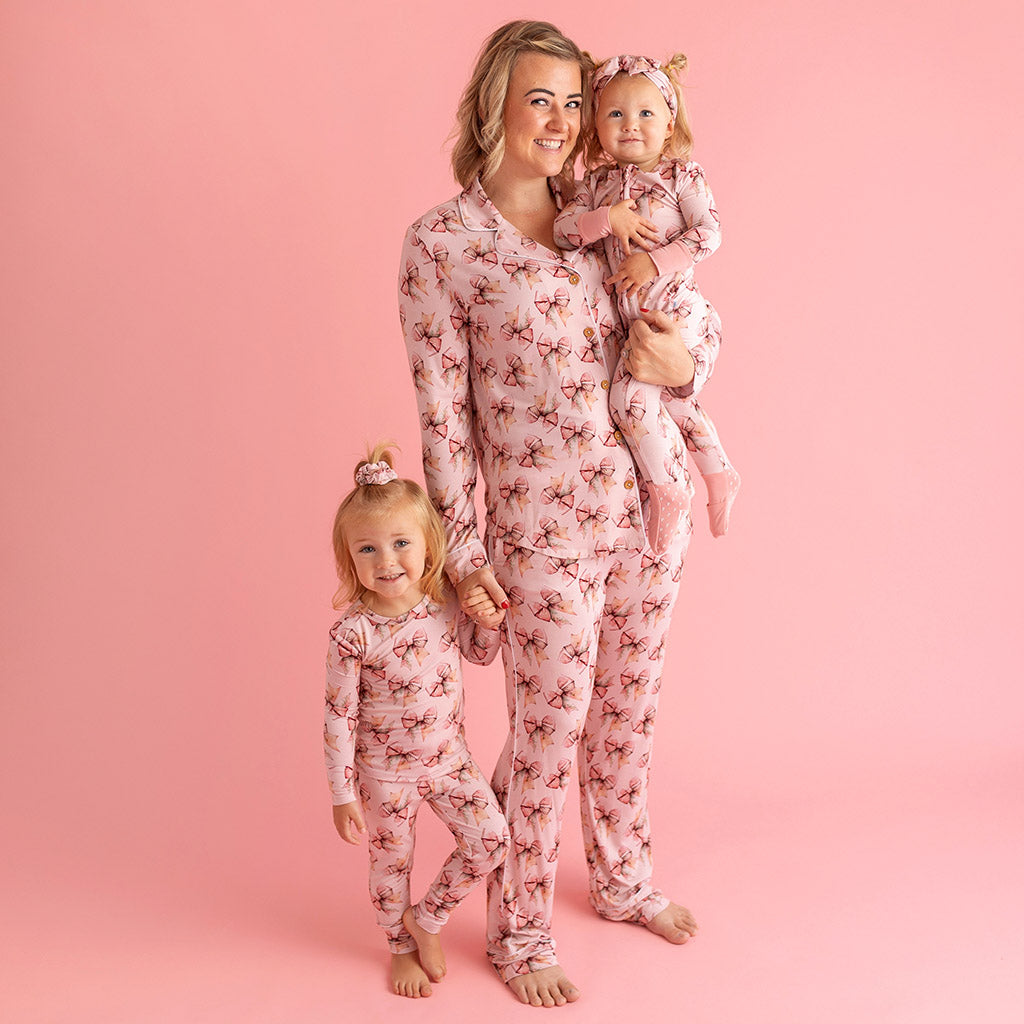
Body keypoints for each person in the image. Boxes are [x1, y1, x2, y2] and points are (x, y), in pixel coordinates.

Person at [398, 21, 720, 1007]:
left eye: (574, 102)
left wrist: (690, 358)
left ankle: (622, 880)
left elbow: (691, 310)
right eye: (539, 99)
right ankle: (521, 929)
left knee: (626, 711)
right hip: (540, 535)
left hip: (644, 511)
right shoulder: (444, 246)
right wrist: (461, 554)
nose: (562, 120)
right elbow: (443, 421)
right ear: (491, 106)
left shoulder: (608, 208)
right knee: (548, 730)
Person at [325, 443, 510, 999]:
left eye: (401, 543)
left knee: (491, 839)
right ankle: (399, 948)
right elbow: (338, 717)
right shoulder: (352, 633)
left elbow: (479, 653)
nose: (387, 561)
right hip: (385, 776)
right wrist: (342, 793)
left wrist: (488, 620)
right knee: (391, 864)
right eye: (368, 549)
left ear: (428, 544)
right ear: (349, 559)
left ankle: (426, 919)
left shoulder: (444, 604)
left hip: (450, 760)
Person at [553, 53, 740, 550]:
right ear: (596, 126)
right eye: (615, 114)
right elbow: (563, 230)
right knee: (675, 405)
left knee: (628, 400)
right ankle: (719, 473)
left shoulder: (683, 177)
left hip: (679, 314)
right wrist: (605, 221)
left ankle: (668, 489)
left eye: (645, 113)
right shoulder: (597, 186)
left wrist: (652, 263)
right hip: (636, 324)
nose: (630, 125)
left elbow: (709, 233)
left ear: (669, 123)